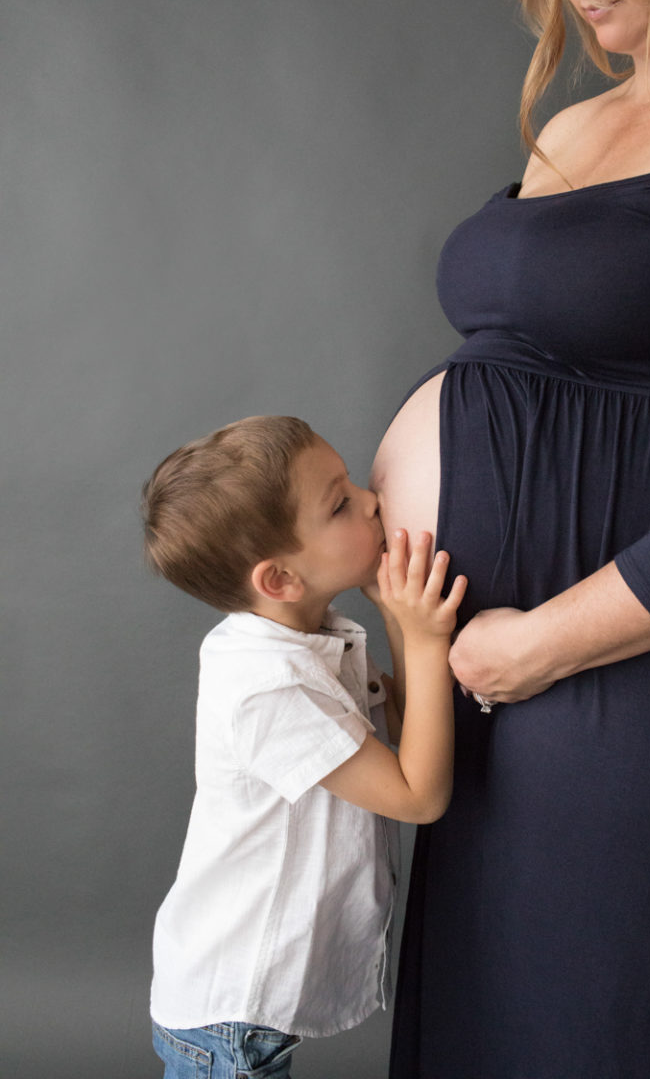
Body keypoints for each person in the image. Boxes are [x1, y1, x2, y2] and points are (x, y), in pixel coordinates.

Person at [370, 0, 650, 1076]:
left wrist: (542, 644)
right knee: (478, 1028)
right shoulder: (572, 127)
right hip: (487, 685)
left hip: (634, 673)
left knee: (598, 1028)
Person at [140, 415, 466, 1079]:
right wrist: (426, 638)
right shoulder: (270, 685)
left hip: (236, 1008)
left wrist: (393, 615)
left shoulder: (307, 640)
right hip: (229, 1011)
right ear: (280, 579)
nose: (372, 499)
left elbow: (407, 720)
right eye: (341, 502)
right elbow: (418, 793)